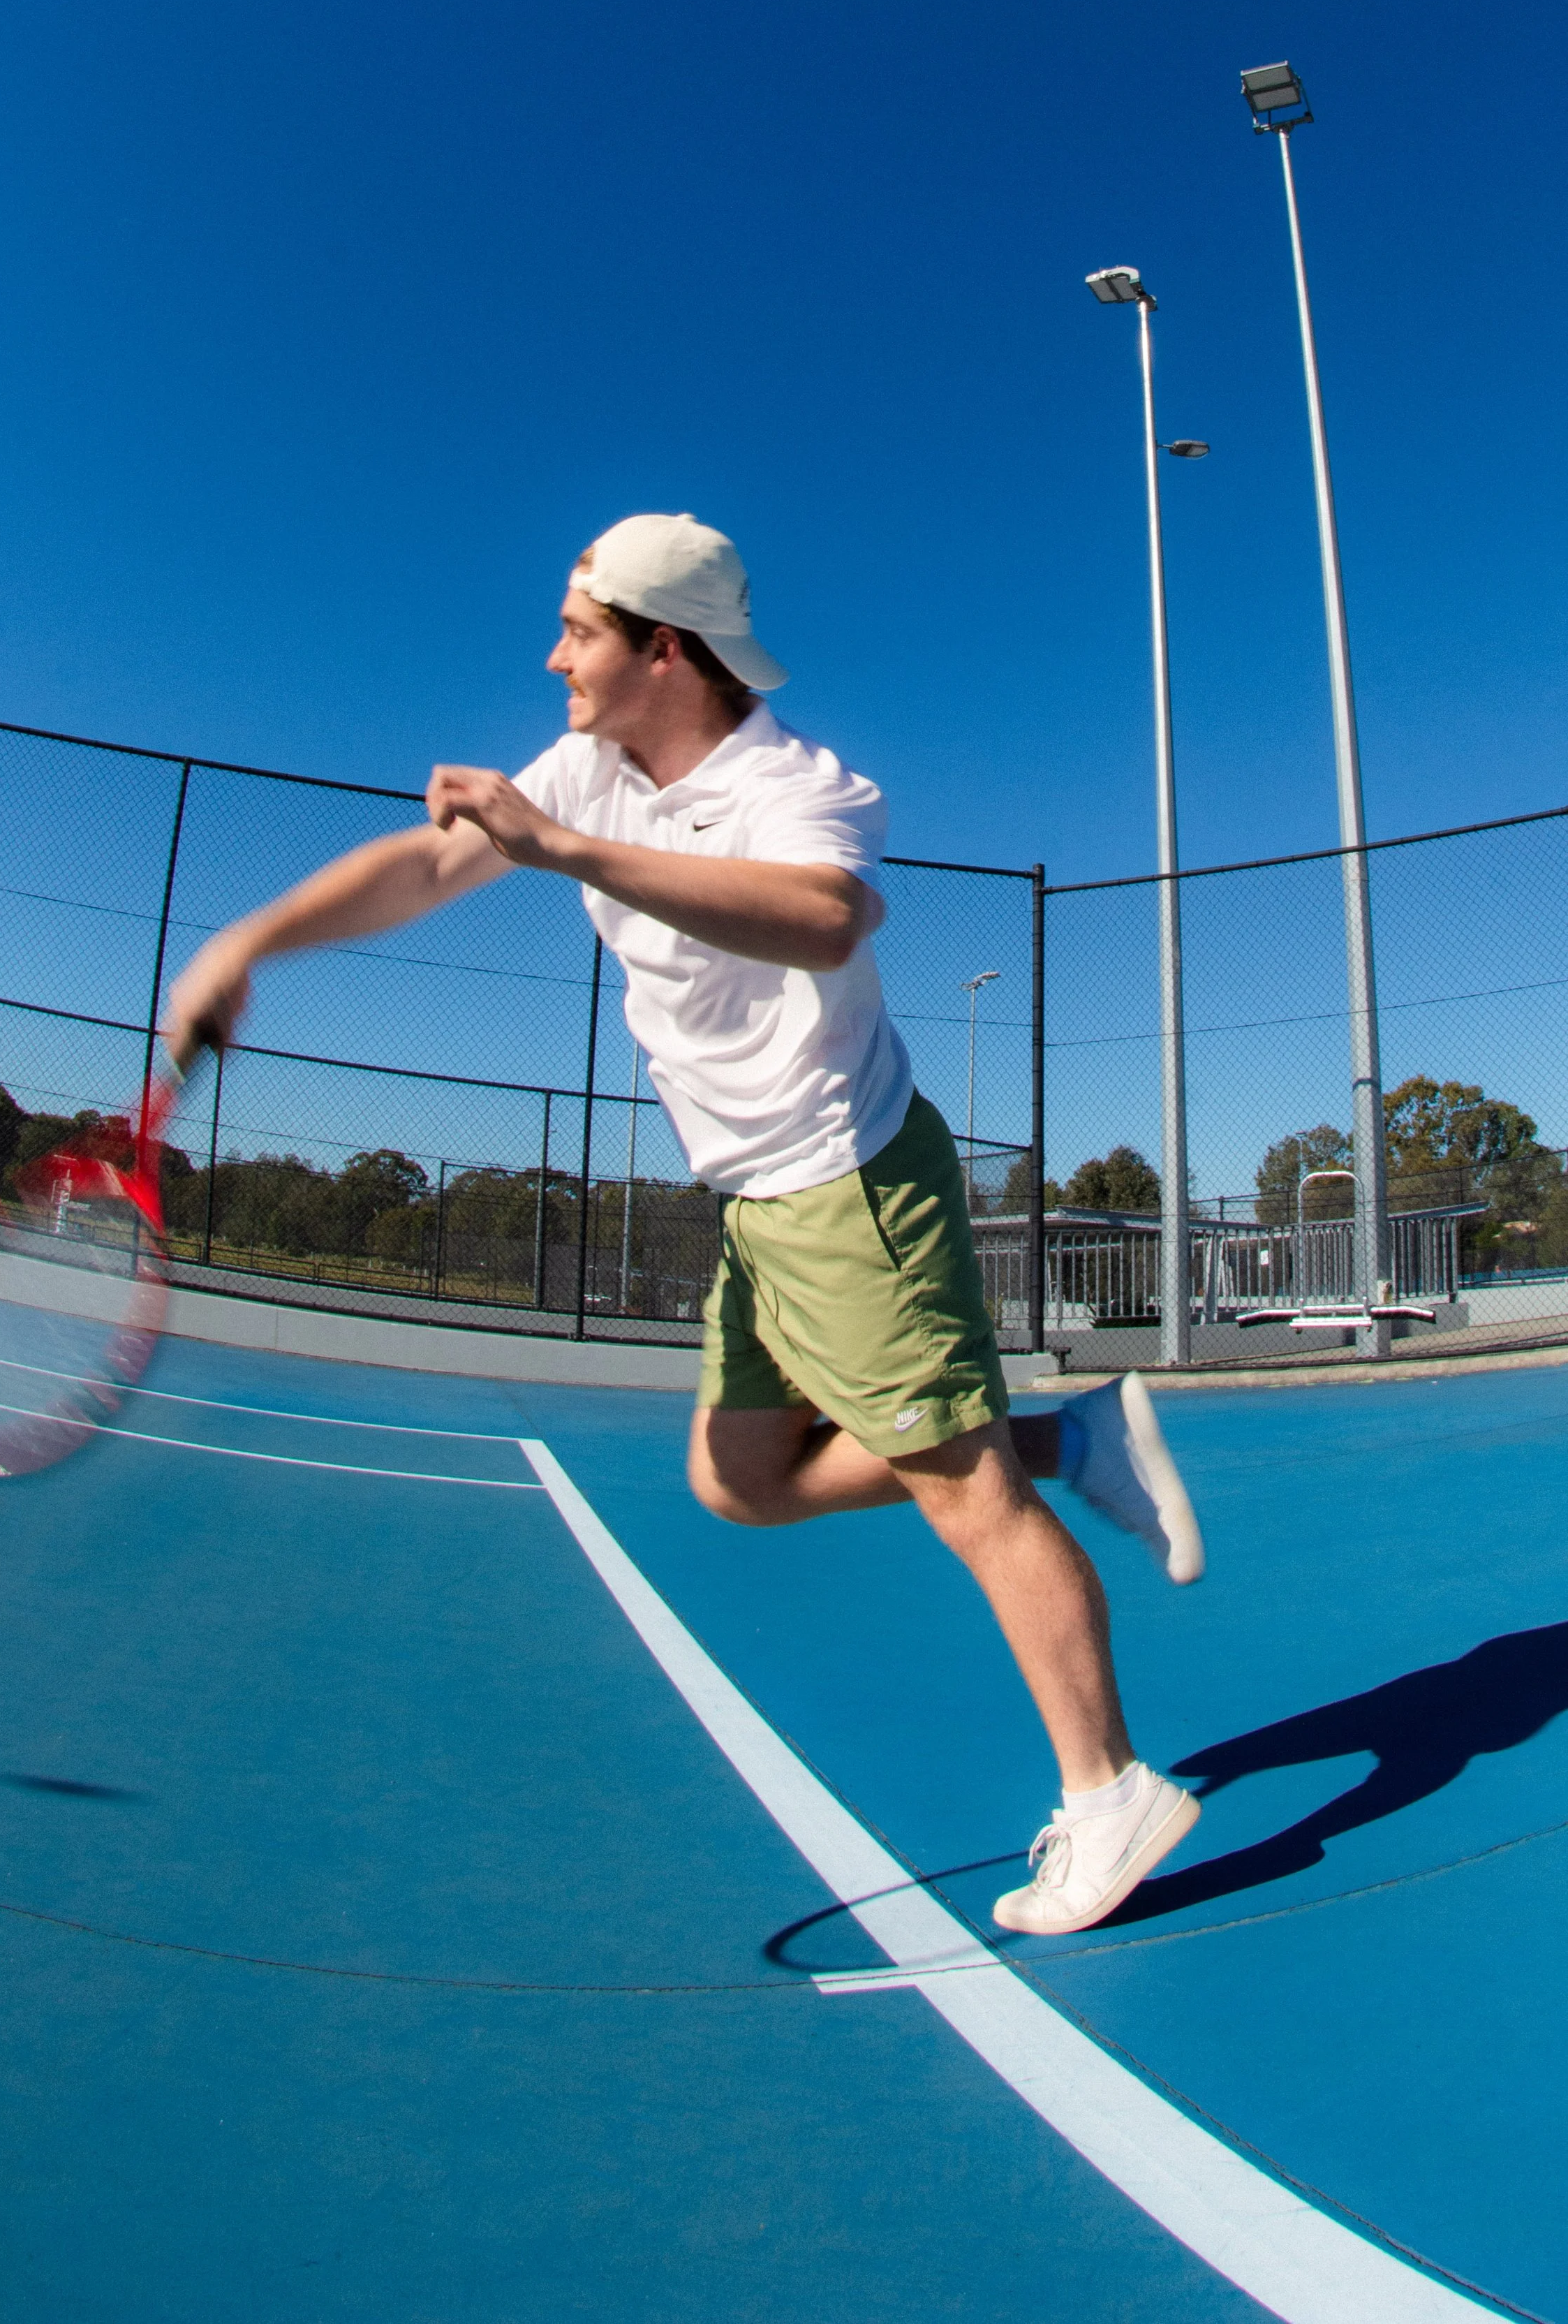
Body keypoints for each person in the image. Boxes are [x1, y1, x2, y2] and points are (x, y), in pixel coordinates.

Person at [168, 513, 1206, 1934]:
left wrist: (570, 851)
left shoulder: (792, 784)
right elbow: (429, 862)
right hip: (754, 1199)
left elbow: (824, 918)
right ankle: (1069, 1436)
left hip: (846, 1178)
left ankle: (1108, 1794)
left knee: (969, 1504)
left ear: (663, 648)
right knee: (741, 1478)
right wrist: (246, 943)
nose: (553, 660)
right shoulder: (590, 765)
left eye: (576, 632)